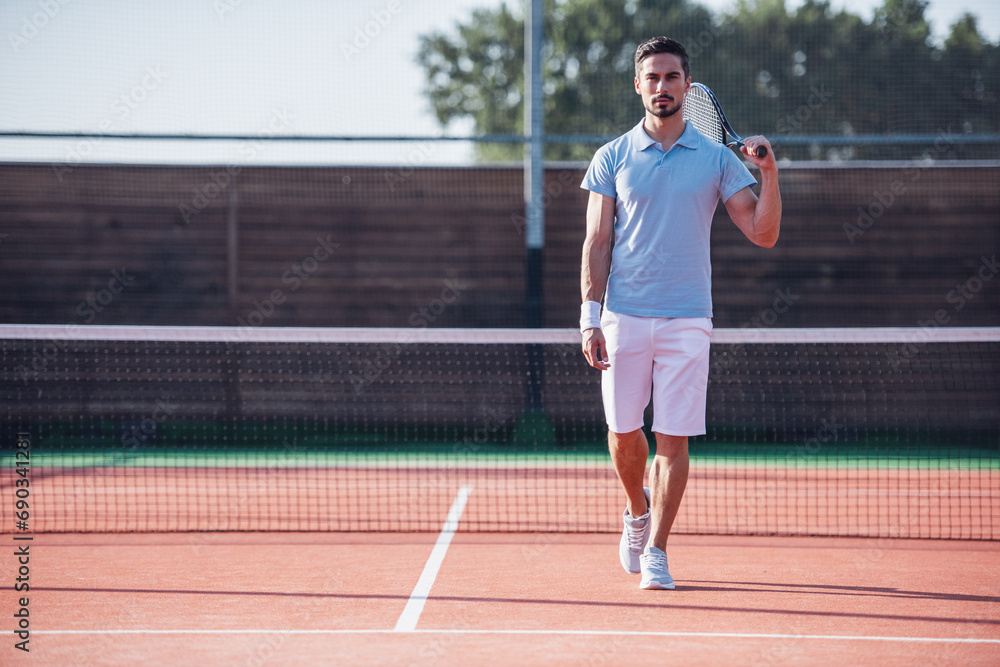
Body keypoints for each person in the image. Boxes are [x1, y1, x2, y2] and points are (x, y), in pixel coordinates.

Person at [579, 36, 781, 590]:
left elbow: (763, 234)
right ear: (638, 85)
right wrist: (589, 316)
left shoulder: (718, 160)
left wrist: (770, 174)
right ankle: (636, 512)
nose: (662, 86)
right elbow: (597, 242)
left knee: (673, 439)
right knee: (624, 436)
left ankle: (659, 552)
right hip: (621, 316)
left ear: (687, 87)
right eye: (653, 77)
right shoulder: (612, 156)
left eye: (672, 77)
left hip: (689, 317)